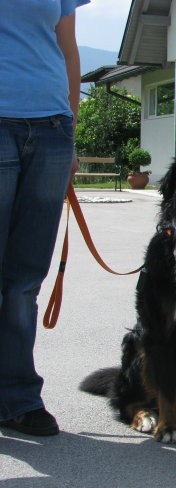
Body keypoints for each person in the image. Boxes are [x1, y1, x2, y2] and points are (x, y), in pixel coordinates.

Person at [0, 0, 89, 436]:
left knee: (24, 280)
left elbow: (69, 49)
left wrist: (70, 132)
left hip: (52, 128)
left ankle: (19, 398)